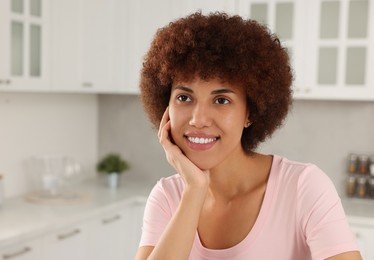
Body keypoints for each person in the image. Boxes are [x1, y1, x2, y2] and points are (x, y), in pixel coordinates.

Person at [135, 12, 361, 260]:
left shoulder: (303, 187)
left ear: (249, 113)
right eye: (184, 97)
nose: (198, 119)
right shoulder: (167, 197)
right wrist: (194, 192)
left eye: (221, 100)